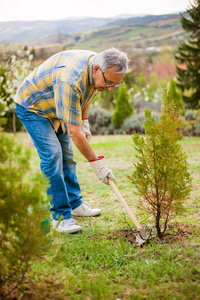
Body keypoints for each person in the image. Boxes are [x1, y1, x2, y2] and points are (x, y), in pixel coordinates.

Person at [15, 48, 130, 233]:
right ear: (96, 69)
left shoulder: (97, 67)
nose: (109, 89)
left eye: (115, 85)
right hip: (33, 107)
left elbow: (88, 93)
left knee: (67, 156)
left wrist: (84, 120)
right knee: (53, 155)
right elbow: (74, 134)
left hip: (56, 106)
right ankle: (60, 217)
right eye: (109, 83)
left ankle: (75, 204)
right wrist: (98, 165)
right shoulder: (71, 80)